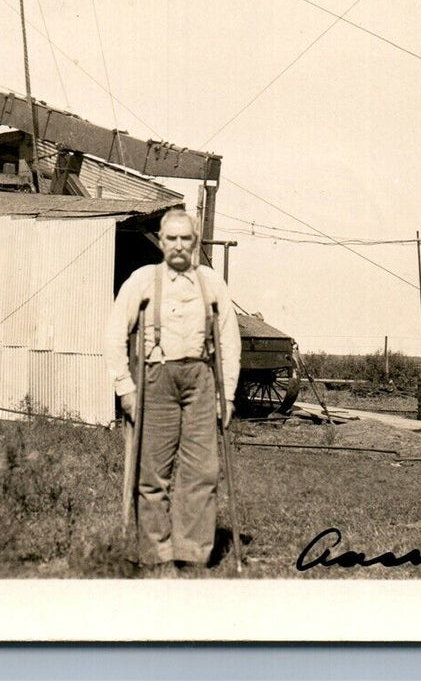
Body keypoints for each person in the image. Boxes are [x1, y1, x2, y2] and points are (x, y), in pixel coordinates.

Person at [104, 208, 241, 571]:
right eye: (172, 239)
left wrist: (226, 396)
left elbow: (229, 341)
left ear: (195, 243)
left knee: (202, 471)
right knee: (153, 473)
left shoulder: (212, 284)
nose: (179, 245)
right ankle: (157, 555)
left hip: (200, 379)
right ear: (162, 242)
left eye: (186, 239)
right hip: (156, 378)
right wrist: (125, 388)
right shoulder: (142, 281)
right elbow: (115, 334)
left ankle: (192, 554)